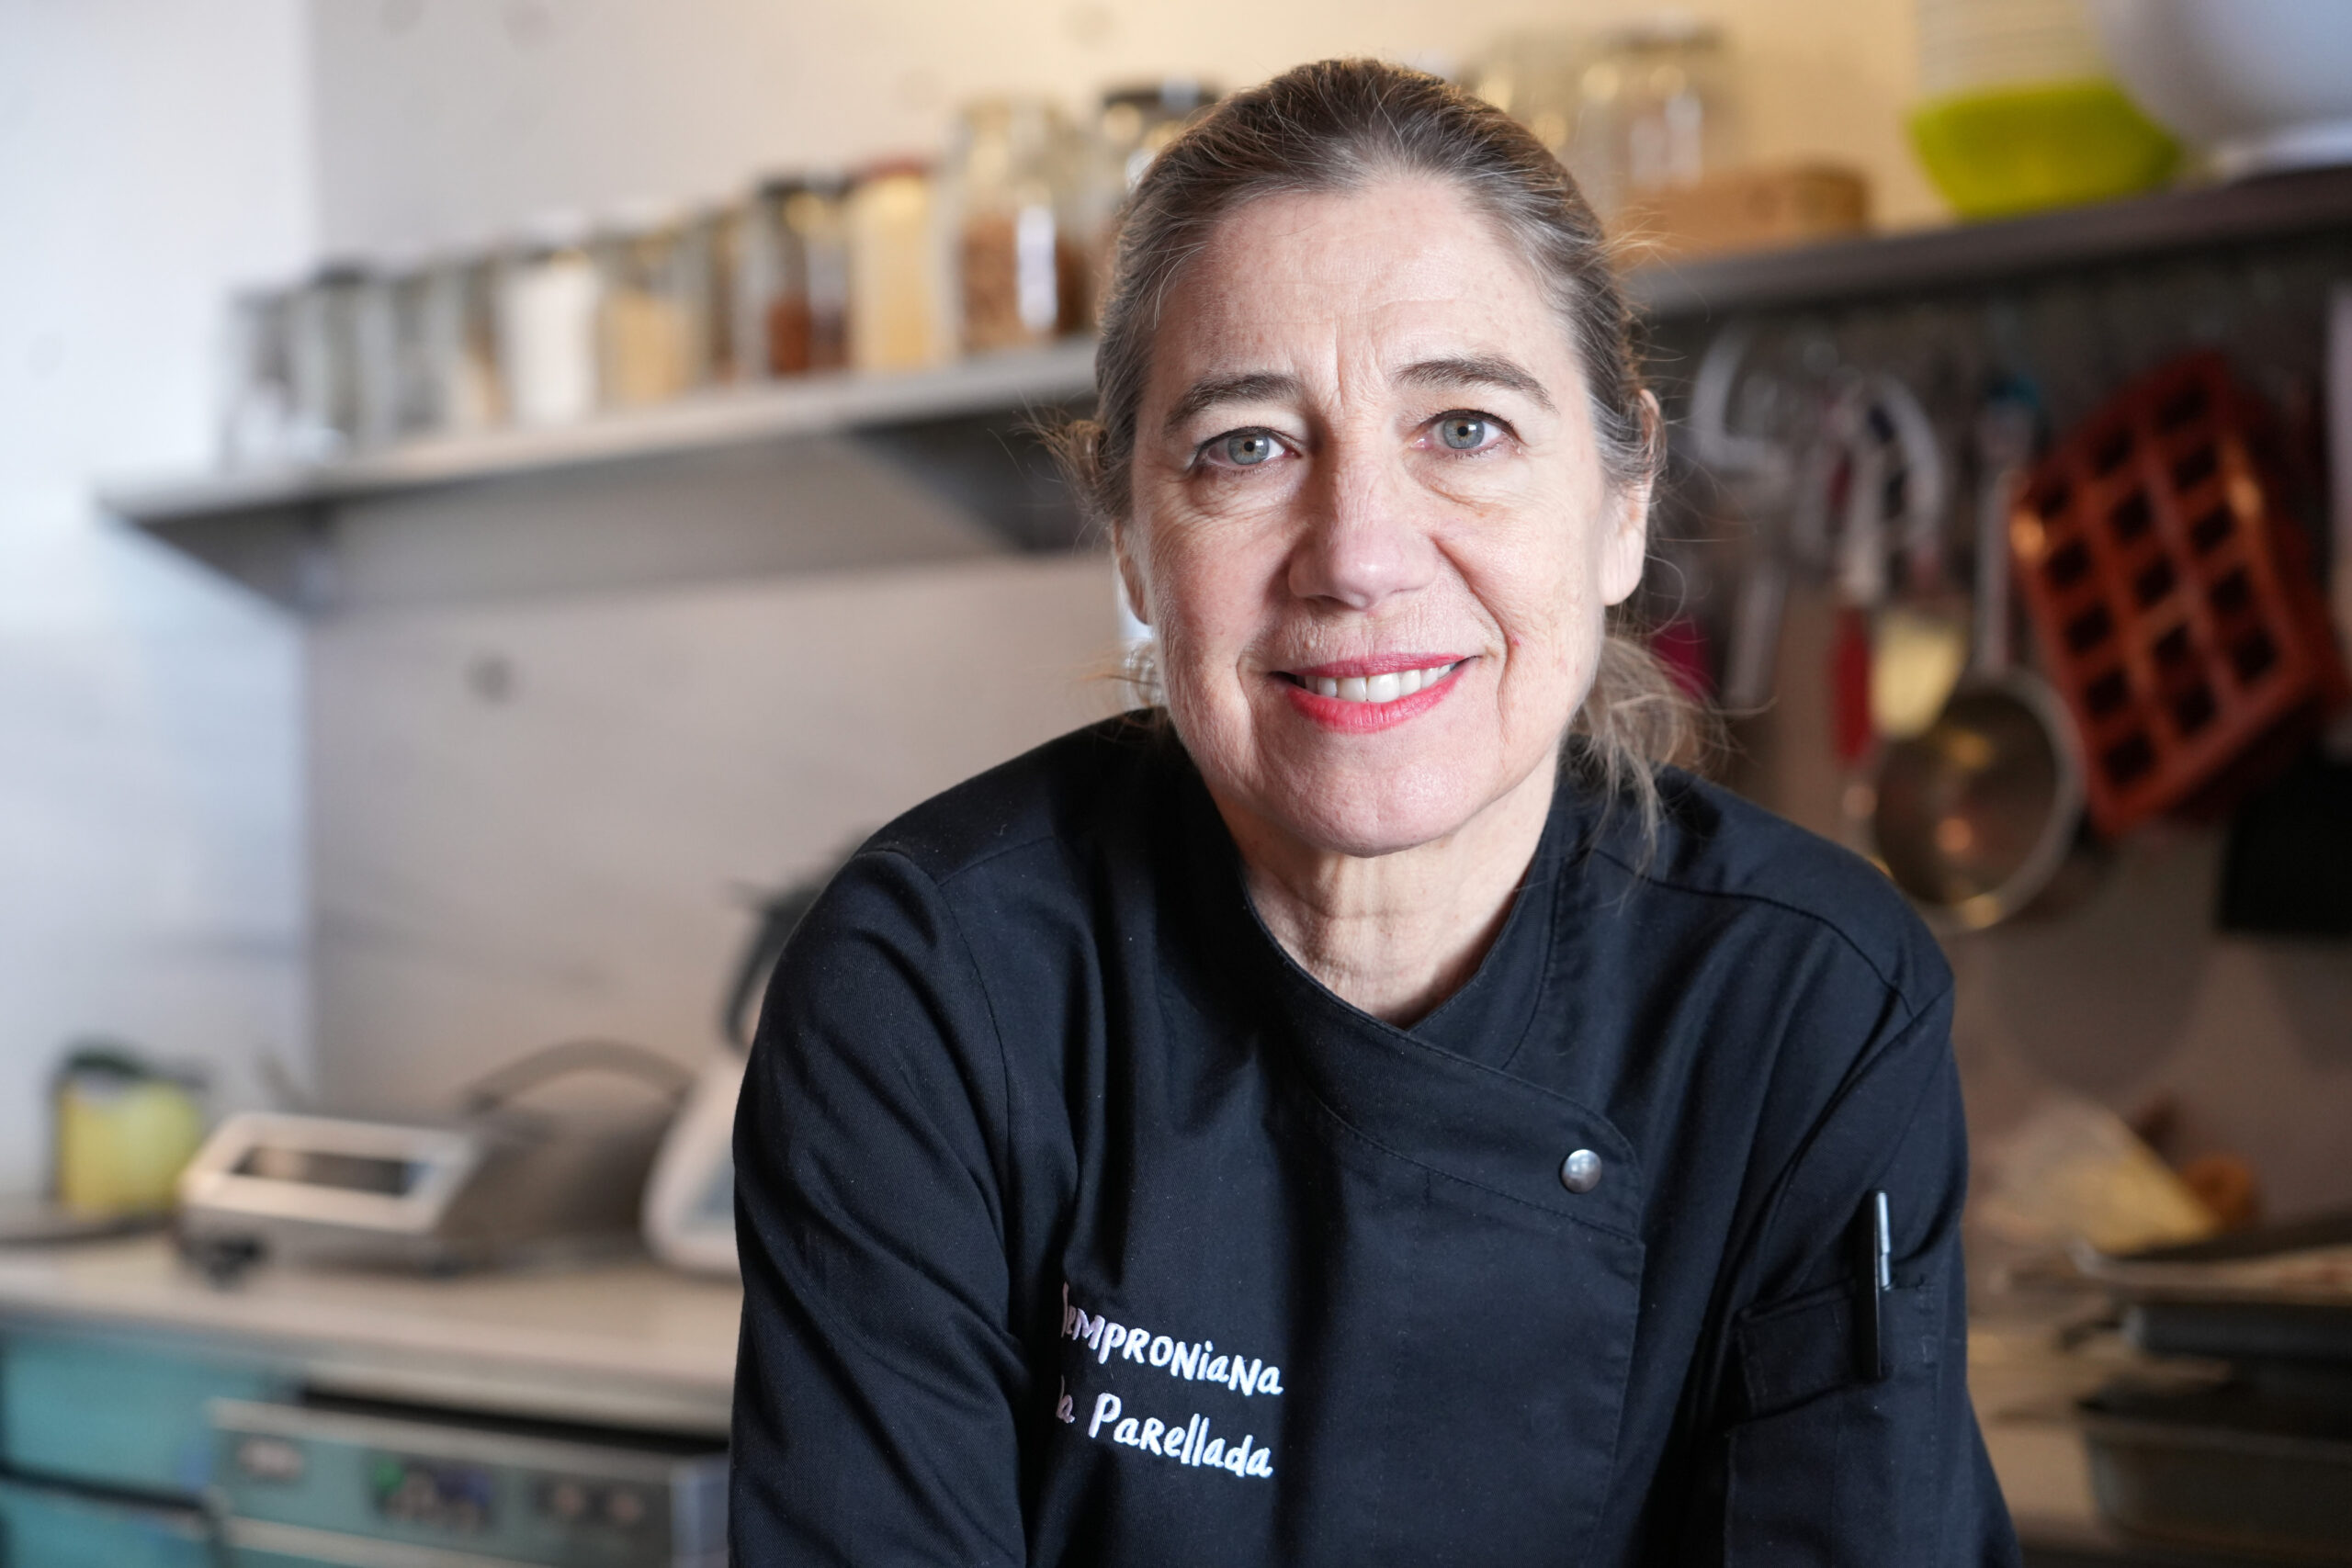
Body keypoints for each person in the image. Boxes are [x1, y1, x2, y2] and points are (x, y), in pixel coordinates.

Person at [730, 58, 2019, 1566]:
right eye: (1247, 446)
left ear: (1622, 502)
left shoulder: (1806, 1001)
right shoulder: (937, 992)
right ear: (1132, 540)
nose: (1357, 554)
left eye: (1463, 428)